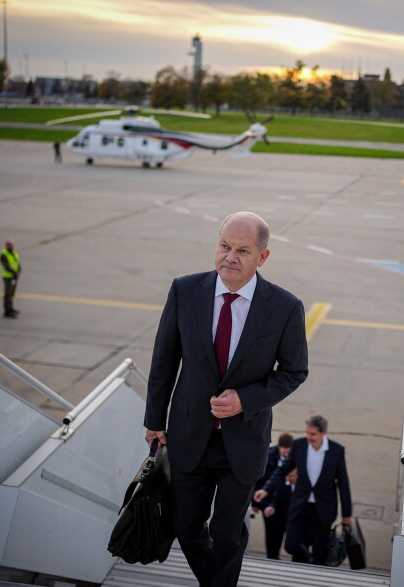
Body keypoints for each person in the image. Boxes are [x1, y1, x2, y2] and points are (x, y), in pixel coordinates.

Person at [143, 211, 309, 587]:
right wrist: (155, 420)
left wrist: (246, 400)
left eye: (242, 250)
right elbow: (163, 361)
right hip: (189, 435)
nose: (229, 257)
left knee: (227, 535)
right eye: (223, 246)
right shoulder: (185, 291)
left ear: (262, 258)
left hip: (243, 441)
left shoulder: (284, 307)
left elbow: (294, 372)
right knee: (185, 528)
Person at [254, 415, 352, 565]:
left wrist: (347, 514)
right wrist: (266, 490)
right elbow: (282, 471)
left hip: (323, 508)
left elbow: (343, 484)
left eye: (313, 434)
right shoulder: (299, 445)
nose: (309, 437)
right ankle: (307, 558)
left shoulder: (336, 451)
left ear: (323, 433)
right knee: (291, 545)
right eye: (307, 433)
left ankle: (312, 566)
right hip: (300, 506)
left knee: (319, 551)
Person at [252, 432, 294, 560]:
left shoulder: (295, 457)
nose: (286, 455)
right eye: (284, 452)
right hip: (267, 501)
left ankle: (276, 556)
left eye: (289, 452)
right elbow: (258, 480)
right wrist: (255, 504)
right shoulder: (268, 456)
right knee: (271, 532)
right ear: (279, 447)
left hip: (286, 501)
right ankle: (272, 558)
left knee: (281, 530)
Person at [0, 240, 21, 318]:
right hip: (8, 277)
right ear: (6, 245)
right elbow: (6, 266)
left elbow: (17, 263)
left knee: (12, 293)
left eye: (12, 245)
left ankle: (11, 308)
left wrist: (19, 271)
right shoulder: (4, 254)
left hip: (14, 277)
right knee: (7, 294)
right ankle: (7, 311)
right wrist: (14, 272)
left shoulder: (14, 252)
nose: (11, 246)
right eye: (9, 245)